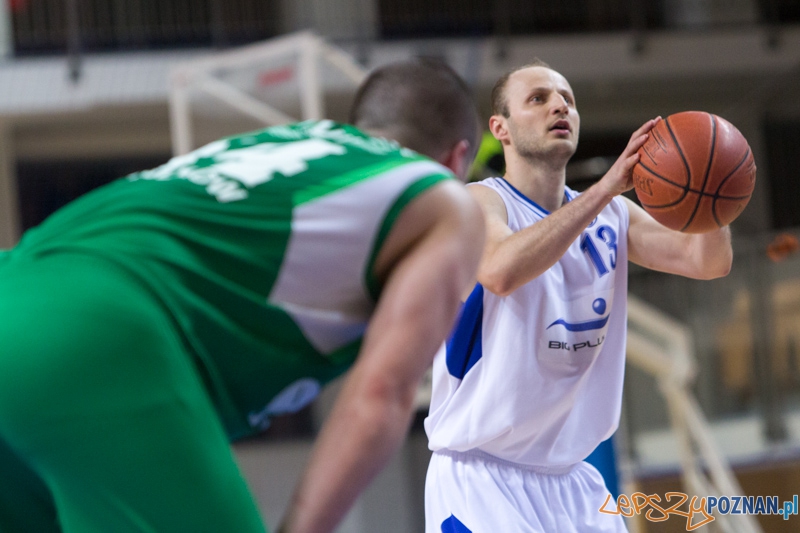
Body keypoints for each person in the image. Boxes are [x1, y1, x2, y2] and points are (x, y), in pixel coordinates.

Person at [0, 58, 485, 533]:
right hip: (100, 332)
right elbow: (382, 393)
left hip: (20, 281)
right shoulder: (442, 199)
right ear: (456, 157)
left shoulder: (283, 142)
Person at [424, 60, 734, 532]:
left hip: (574, 482)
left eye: (567, 99)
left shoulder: (613, 218)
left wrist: (716, 193)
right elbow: (500, 269)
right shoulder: (479, 202)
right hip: (482, 479)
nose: (559, 106)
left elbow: (705, 261)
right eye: (538, 98)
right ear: (500, 128)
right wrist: (607, 187)